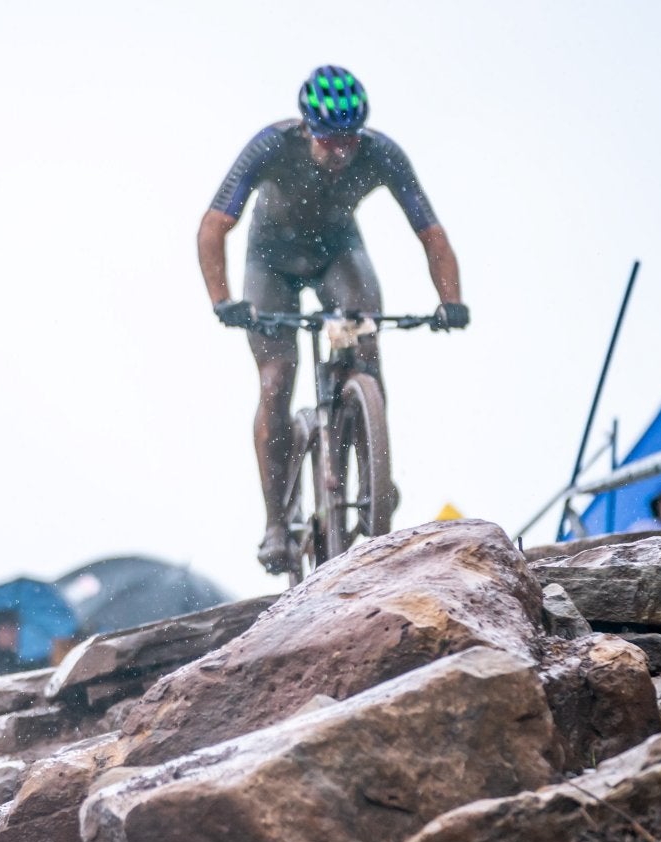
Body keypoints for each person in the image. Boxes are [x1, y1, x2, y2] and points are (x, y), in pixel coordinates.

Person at [197, 64, 469, 574]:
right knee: (278, 377)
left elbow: (431, 234)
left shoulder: (382, 154)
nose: (340, 154)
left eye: (349, 141)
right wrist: (223, 300)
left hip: (337, 255)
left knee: (365, 341)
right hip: (269, 263)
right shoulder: (271, 147)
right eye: (329, 141)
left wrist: (450, 300)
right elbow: (213, 227)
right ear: (307, 128)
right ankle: (276, 521)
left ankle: (373, 473)